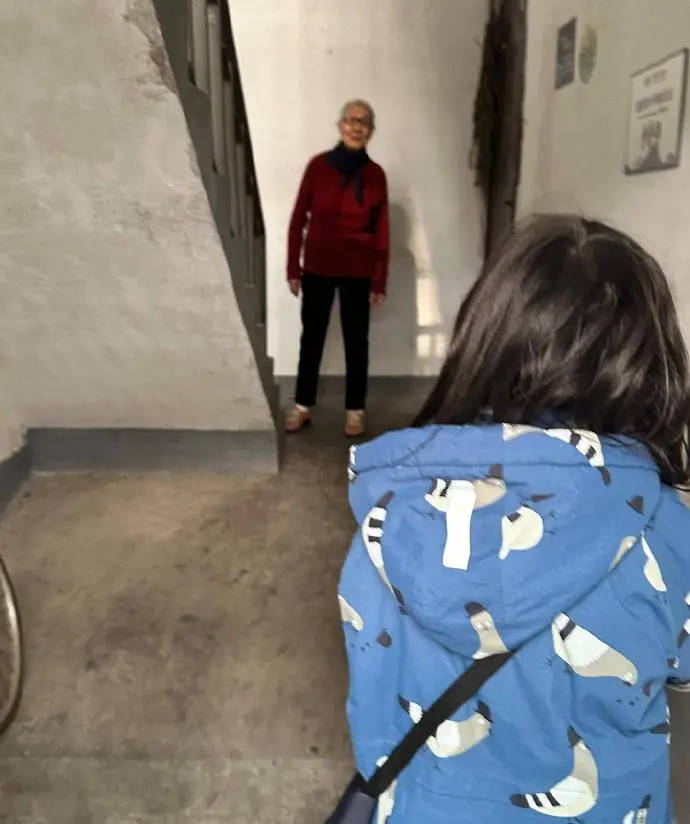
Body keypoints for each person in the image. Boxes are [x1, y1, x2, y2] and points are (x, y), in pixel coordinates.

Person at [338, 215, 690, 823]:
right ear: (651, 365)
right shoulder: (665, 532)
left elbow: (374, 664)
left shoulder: (391, 514)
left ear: (481, 341)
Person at [285, 99, 389, 438]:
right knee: (311, 338)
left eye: (364, 122)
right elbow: (298, 218)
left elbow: (382, 230)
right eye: (351, 120)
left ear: (371, 131)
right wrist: (293, 267)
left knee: (356, 342)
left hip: (358, 270)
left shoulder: (375, 176)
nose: (356, 127)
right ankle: (302, 405)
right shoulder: (318, 167)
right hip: (318, 266)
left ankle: (355, 411)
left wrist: (379, 279)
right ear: (340, 125)